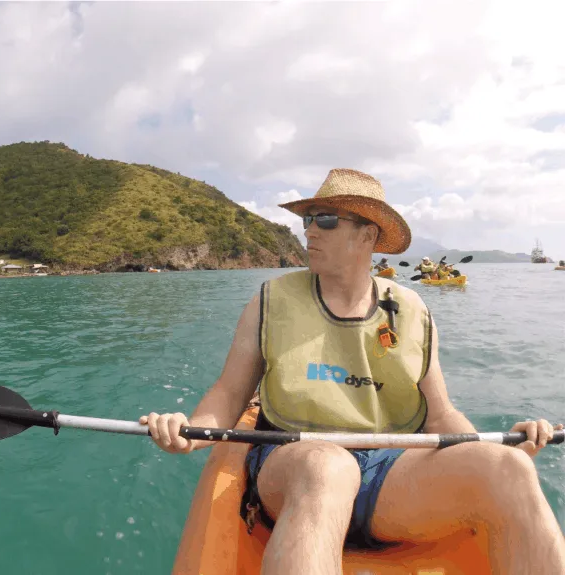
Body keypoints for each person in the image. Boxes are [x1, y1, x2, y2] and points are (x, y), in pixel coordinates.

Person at [140, 168, 565, 575]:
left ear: (368, 234)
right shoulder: (270, 301)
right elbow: (230, 392)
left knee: (511, 469)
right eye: (309, 220)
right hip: (294, 462)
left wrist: (493, 446)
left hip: (392, 472)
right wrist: (191, 430)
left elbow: (440, 414)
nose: (308, 231)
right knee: (328, 467)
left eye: (325, 221)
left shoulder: (413, 310)